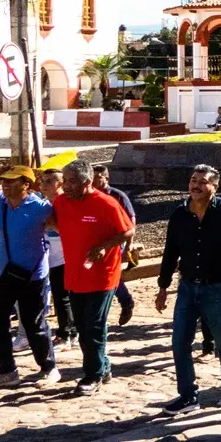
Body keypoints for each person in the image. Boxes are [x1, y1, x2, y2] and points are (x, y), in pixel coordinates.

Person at [156, 164, 221, 412]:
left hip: (217, 287)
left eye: (202, 182)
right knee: (179, 342)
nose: (195, 186)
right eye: (193, 180)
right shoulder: (179, 215)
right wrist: (163, 287)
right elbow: (170, 252)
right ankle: (188, 395)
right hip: (186, 288)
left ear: (214, 186)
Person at [51, 159, 134, 395]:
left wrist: (104, 246)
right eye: (64, 180)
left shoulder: (106, 203)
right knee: (82, 326)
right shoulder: (61, 201)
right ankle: (103, 366)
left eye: (71, 181)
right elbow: (55, 220)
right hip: (75, 275)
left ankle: (92, 375)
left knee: (94, 326)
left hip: (103, 275)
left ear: (87, 182)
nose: (65, 186)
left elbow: (127, 230)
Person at [0, 165, 59, 390]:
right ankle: (7, 370)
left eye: (12, 181)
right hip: (2, 273)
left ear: (26, 184)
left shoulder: (41, 208)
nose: (5, 184)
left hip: (32, 277)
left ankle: (48, 367)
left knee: (33, 323)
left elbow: (61, 227)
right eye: (4, 180)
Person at [92, 165, 139, 326]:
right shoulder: (88, 196)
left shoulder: (117, 196)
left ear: (106, 178)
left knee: (110, 274)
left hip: (115, 241)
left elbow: (130, 220)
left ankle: (125, 301)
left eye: (98, 177)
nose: (94, 180)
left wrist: (129, 244)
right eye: (92, 176)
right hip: (94, 241)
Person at [38, 168, 76, 348]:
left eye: (48, 181)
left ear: (60, 184)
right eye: (42, 181)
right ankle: (72, 330)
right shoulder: (44, 203)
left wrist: (55, 225)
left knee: (63, 297)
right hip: (50, 256)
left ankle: (66, 333)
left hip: (66, 257)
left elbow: (75, 232)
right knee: (60, 295)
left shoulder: (66, 203)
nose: (43, 185)